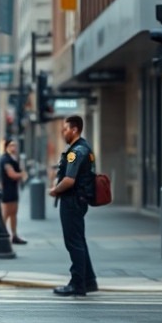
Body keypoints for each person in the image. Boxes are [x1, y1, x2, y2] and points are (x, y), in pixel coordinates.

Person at [49, 115, 98, 297]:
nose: (63, 132)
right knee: (80, 241)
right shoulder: (86, 148)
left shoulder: (76, 152)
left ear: (74, 129)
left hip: (72, 200)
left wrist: (55, 190)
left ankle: (77, 284)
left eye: (65, 129)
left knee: (74, 243)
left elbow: (69, 180)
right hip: (80, 200)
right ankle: (89, 280)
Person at [0, 138, 26, 245]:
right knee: (6, 214)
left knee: (14, 213)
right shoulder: (5, 159)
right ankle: (2, 236)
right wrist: (22, 174)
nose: (13, 147)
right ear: (6, 147)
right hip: (7, 189)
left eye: (14, 145)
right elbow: (12, 174)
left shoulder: (13, 158)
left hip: (13, 189)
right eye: (11, 145)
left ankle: (14, 236)